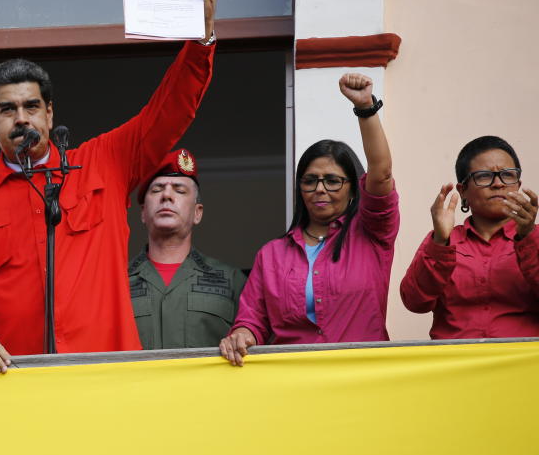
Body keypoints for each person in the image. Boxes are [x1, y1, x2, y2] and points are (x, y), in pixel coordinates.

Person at [0, 0, 218, 373]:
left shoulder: (104, 161)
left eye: (31, 107)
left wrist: (201, 40)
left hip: (105, 375)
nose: (21, 119)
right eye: (7, 110)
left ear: (50, 113)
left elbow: (170, 111)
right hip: (6, 381)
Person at [220, 73, 398, 365]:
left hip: (363, 377)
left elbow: (382, 172)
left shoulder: (372, 234)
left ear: (354, 189)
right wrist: (241, 334)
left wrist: (366, 108)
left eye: (332, 181)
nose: (320, 189)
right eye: (310, 180)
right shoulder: (272, 255)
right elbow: (252, 320)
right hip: (293, 382)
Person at [400, 136, 539, 337]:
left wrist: (528, 238)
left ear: (518, 184)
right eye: (484, 176)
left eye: (508, 175)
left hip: (523, 364)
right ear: (462, 190)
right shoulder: (444, 240)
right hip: (457, 363)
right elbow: (414, 302)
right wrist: (440, 242)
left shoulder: (534, 238)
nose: (498, 184)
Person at [128, 148, 247, 349]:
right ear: (143, 213)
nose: (166, 195)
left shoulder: (232, 280)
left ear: (197, 213)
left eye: (180, 190)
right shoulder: (117, 283)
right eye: (157, 190)